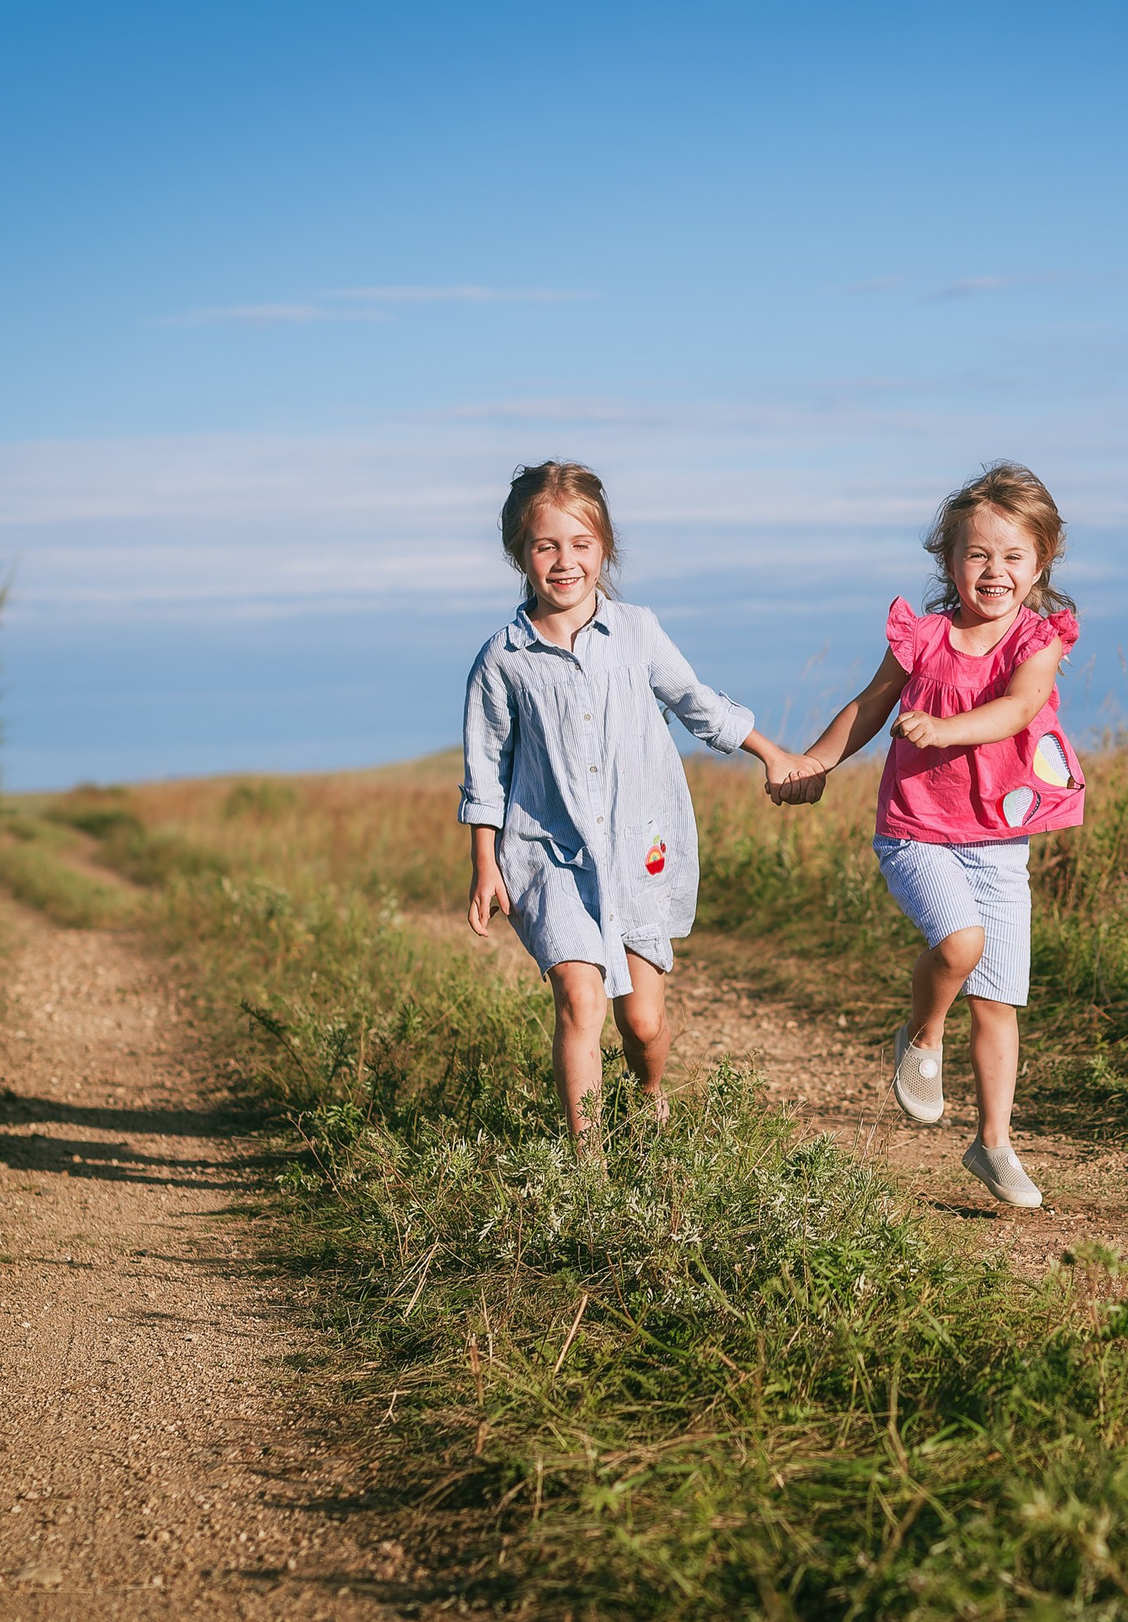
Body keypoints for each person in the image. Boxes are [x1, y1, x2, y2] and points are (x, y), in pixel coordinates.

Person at [462, 460, 814, 1137]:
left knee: (643, 1023)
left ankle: (648, 1092)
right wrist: (485, 863)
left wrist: (773, 754)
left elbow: (696, 703)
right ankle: (587, 1173)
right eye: (546, 546)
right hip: (548, 856)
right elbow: (485, 769)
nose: (566, 562)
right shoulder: (502, 658)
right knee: (579, 998)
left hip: (636, 851)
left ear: (605, 547)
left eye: (581, 544)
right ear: (520, 553)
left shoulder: (638, 632)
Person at [778, 463, 1086, 1209]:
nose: (995, 571)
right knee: (960, 945)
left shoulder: (1037, 641)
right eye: (978, 554)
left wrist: (947, 728)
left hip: (998, 840)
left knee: (999, 998)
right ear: (950, 562)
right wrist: (815, 760)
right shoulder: (924, 637)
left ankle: (993, 1143)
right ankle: (920, 1037)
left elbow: (1017, 710)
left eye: (1014, 557)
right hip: (917, 829)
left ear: (1040, 564)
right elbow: (873, 702)